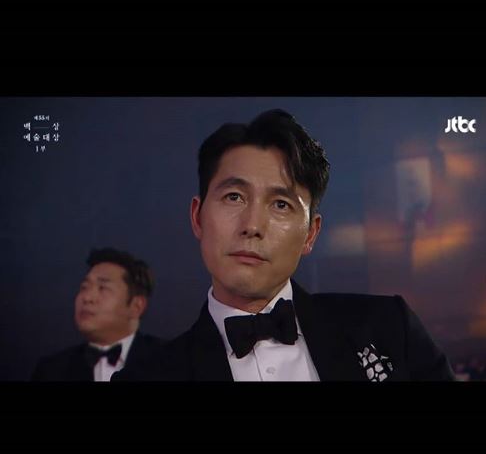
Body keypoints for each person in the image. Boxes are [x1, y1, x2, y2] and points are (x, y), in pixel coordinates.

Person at [114, 109, 455, 381]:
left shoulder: (389, 327)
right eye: (234, 197)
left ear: (310, 234)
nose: (252, 226)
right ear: (197, 217)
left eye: (280, 204)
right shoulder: (147, 376)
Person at [32, 247, 164, 381]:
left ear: (136, 306)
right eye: (84, 287)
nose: (87, 297)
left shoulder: (167, 361)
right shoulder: (51, 370)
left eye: (103, 288)